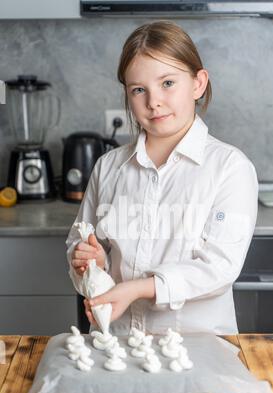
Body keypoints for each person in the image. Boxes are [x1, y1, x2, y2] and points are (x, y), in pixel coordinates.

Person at [66, 20, 258, 336]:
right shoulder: (108, 167)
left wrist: (139, 288)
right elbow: (80, 243)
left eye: (167, 83)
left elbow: (219, 267)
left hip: (199, 348)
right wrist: (91, 263)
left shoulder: (229, 168)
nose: (153, 101)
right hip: (117, 344)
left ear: (198, 83)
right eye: (138, 89)